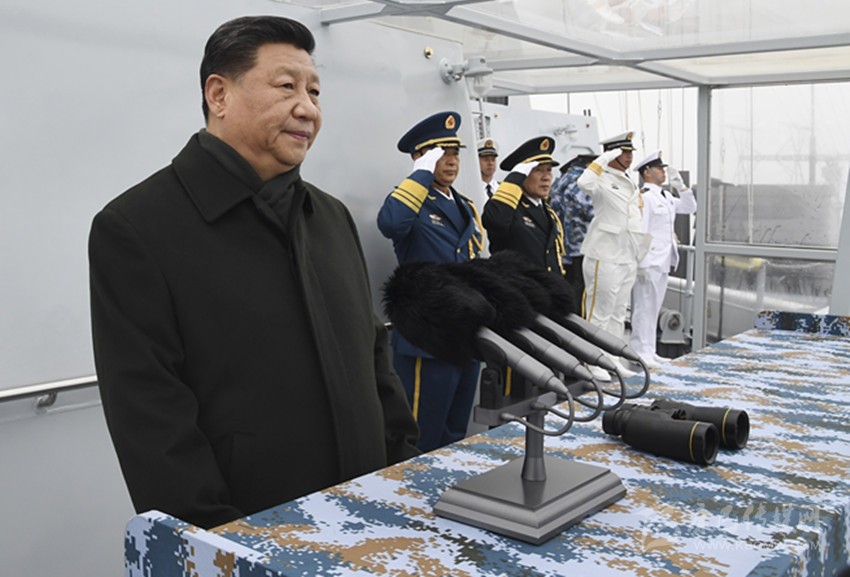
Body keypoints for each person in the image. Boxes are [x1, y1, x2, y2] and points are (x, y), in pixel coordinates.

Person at [88, 16, 419, 530]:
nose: (308, 108)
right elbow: (149, 411)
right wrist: (221, 542)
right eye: (286, 86)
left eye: (314, 91)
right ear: (218, 95)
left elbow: (373, 354)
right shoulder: (137, 227)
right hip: (254, 533)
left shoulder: (331, 217)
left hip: (371, 510)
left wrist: (404, 471)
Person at [377, 111, 484, 452]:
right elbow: (391, 224)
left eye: (455, 153)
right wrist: (420, 174)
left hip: (464, 332)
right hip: (426, 335)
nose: (451, 161)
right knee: (420, 431)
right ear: (421, 159)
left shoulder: (466, 206)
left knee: (455, 429)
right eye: (441, 154)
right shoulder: (410, 203)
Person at [578, 131, 651, 381]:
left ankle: (613, 359)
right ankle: (592, 361)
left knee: (618, 313)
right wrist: (604, 158)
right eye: (624, 152)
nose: (629, 157)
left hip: (628, 255)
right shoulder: (600, 178)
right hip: (604, 254)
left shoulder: (629, 181)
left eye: (630, 152)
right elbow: (583, 183)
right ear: (613, 154)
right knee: (599, 313)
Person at [630, 151, 697, 367]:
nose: (663, 172)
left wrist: (681, 186)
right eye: (659, 168)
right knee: (644, 307)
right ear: (647, 172)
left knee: (654, 307)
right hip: (650, 261)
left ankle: (649, 350)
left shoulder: (666, 197)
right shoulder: (645, 197)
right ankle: (640, 351)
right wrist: (641, 263)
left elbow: (690, 207)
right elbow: (641, 231)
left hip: (664, 260)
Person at [482, 136, 566, 276]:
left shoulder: (548, 212)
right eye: (538, 170)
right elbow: (495, 221)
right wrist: (515, 178)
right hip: (518, 287)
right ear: (523, 175)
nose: (546, 177)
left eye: (549, 170)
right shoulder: (509, 209)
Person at [549, 151, 598, 297]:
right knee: (582, 292)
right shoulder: (580, 180)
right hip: (580, 247)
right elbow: (591, 210)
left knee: (571, 288)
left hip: (566, 247)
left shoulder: (562, 180)